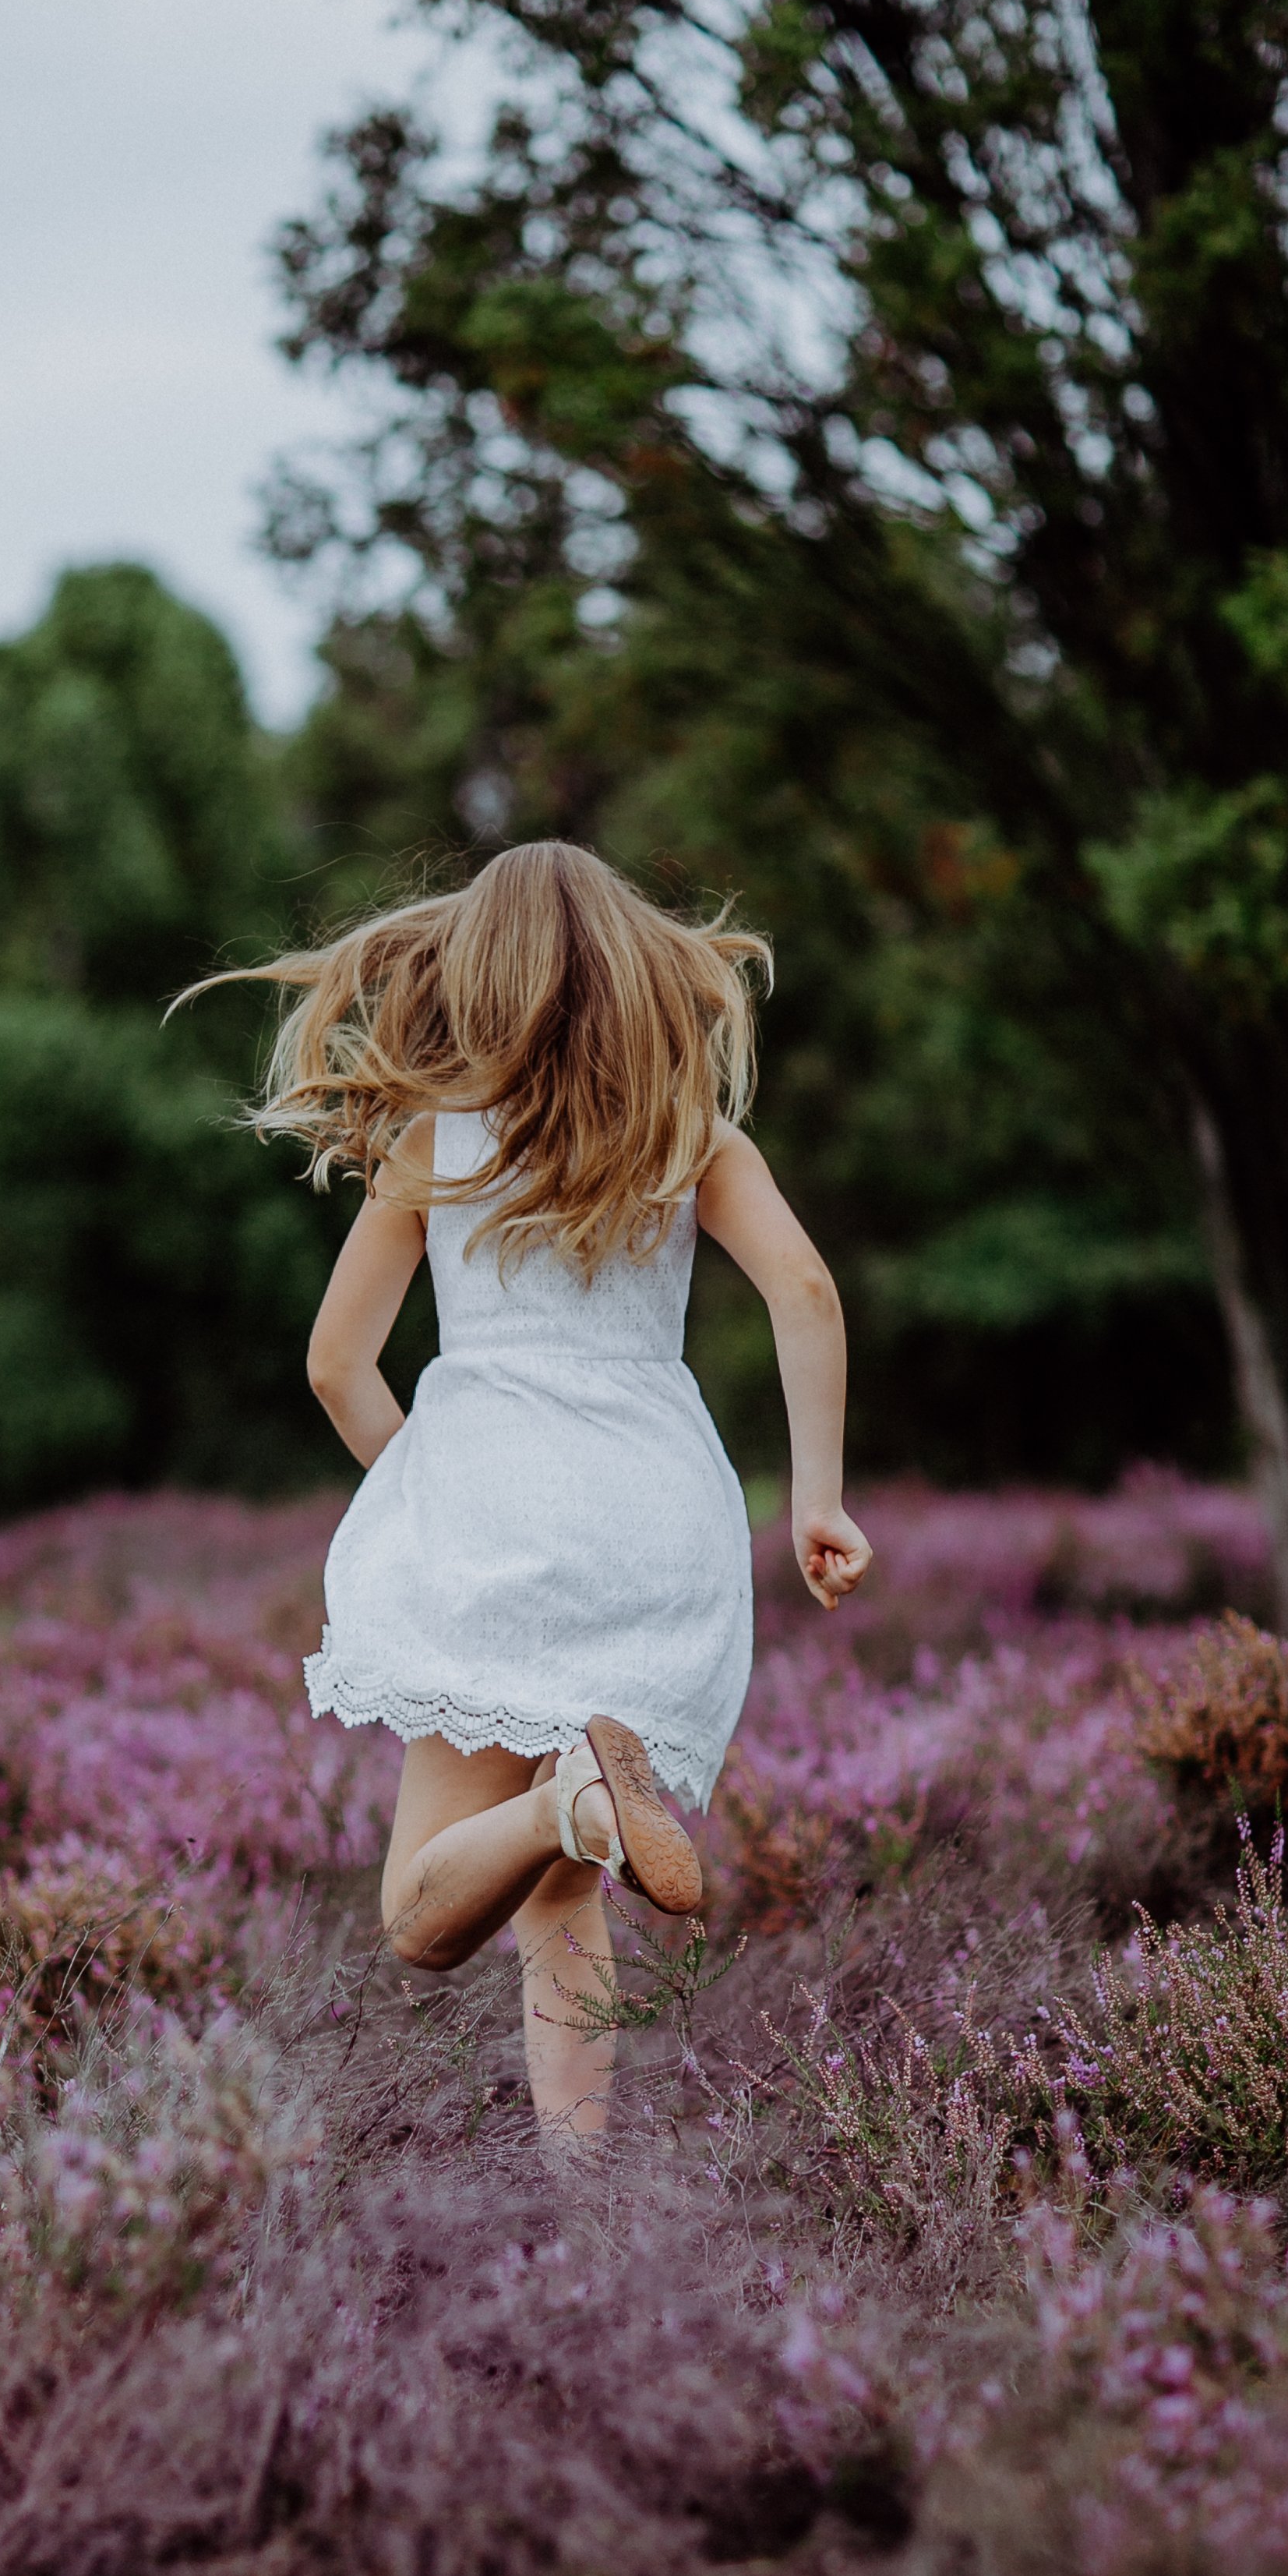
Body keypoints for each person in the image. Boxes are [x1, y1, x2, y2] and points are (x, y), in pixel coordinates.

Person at [185, 841, 871, 2143]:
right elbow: (808, 1292)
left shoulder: (431, 1145)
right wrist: (818, 1501)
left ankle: (568, 1799)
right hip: (660, 1521)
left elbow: (336, 1364)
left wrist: (438, 1498)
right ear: (633, 977)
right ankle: (584, 2188)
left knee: (418, 1919)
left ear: (476, 974)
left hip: (504, 1507)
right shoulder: (692, 1133)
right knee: (563, 1901)